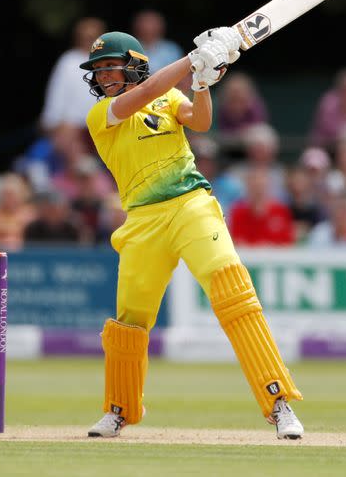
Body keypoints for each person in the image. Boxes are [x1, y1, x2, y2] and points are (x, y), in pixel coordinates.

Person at [79, 28, 303, 440]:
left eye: (111, 66)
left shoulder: (169, 97)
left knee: (233, 292)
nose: (104, 76)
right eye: (98, 70)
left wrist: (200, 84)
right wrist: (193, 59)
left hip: (190, 204)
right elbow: (143, 96)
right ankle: (119, 410)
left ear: (134, 64)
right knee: (130, 321)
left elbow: (200, 121)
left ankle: (278, 403)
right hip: (142, 221)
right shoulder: (103, 115)